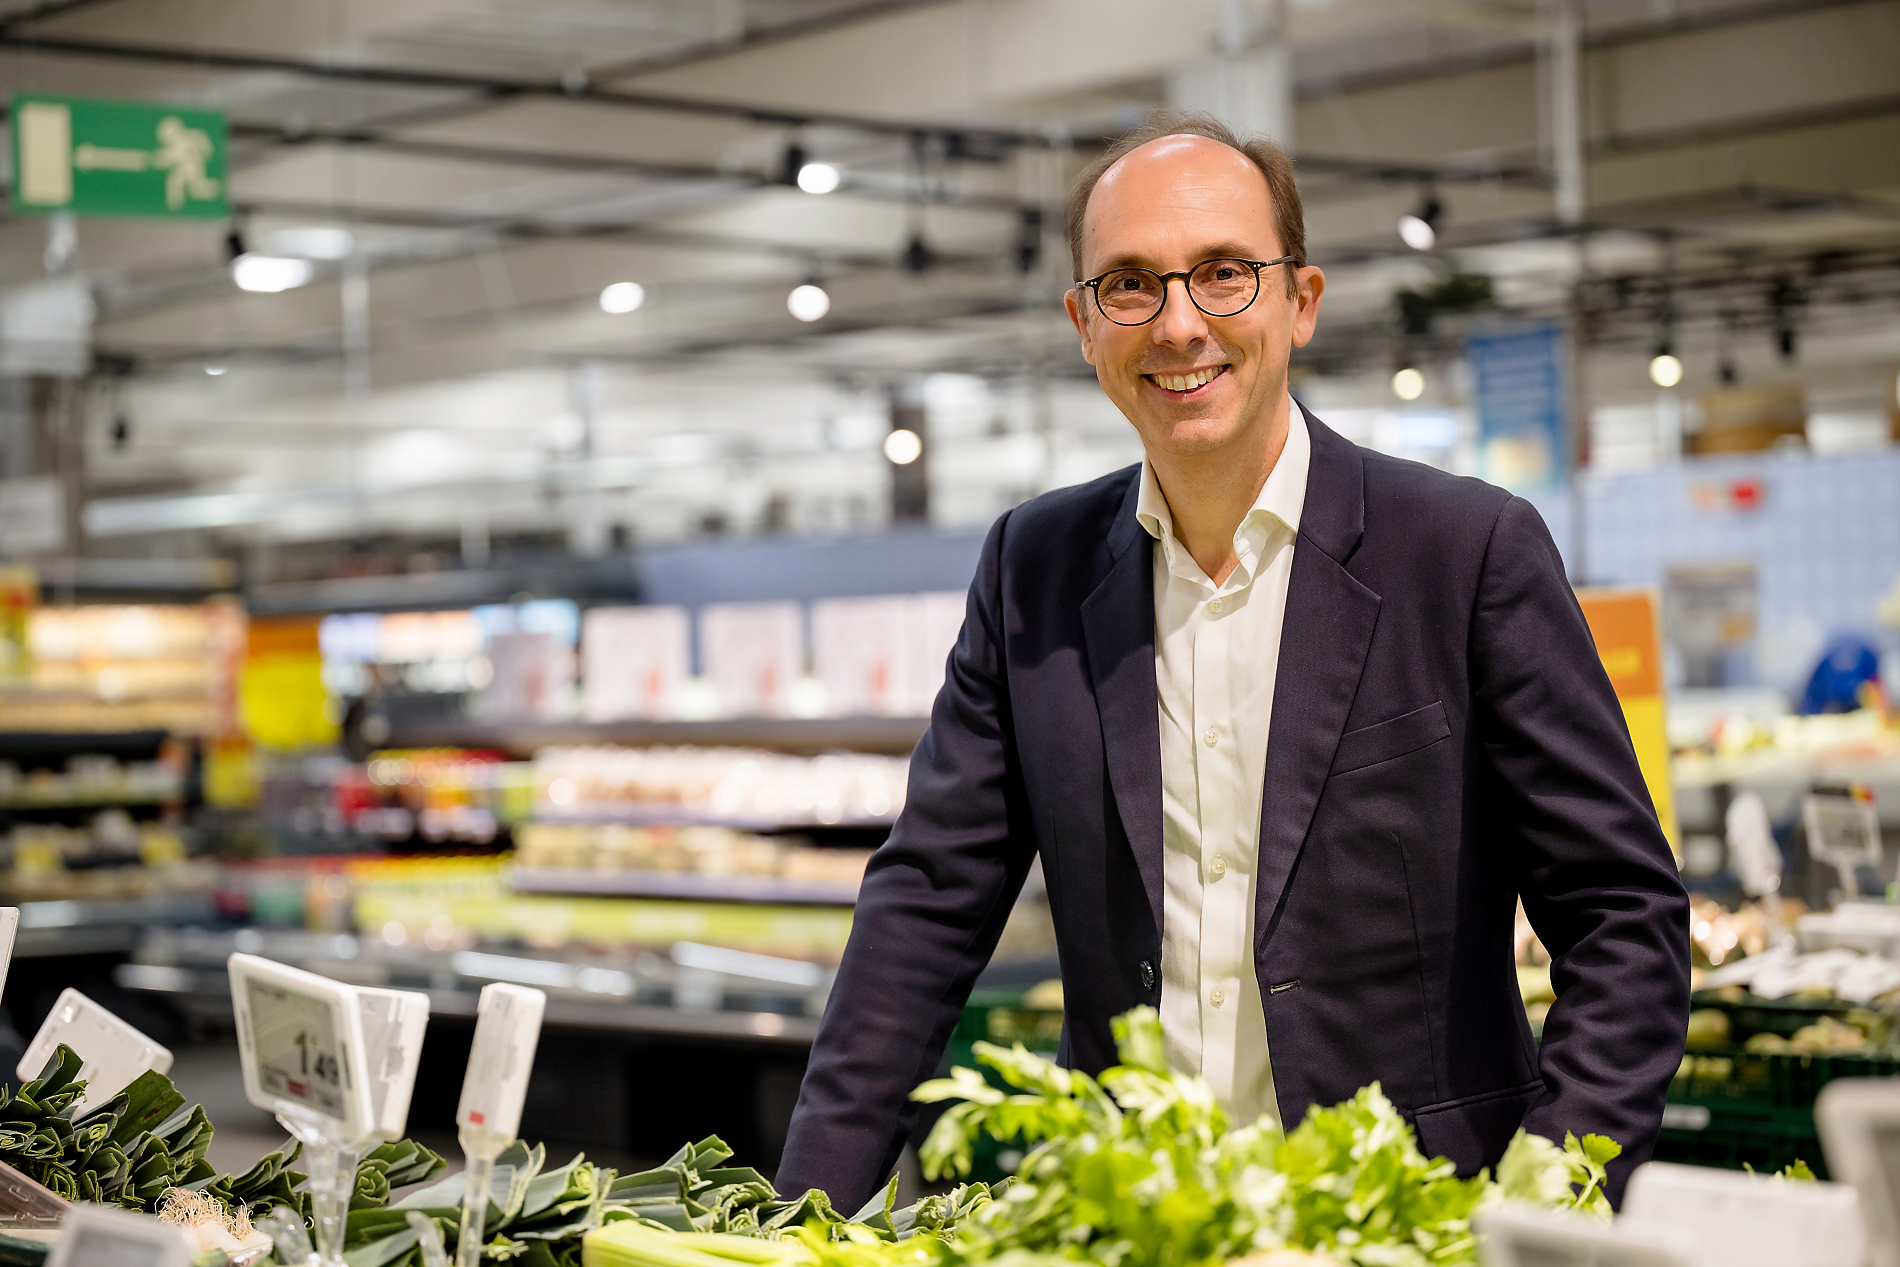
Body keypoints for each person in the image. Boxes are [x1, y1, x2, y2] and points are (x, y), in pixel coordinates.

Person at [776, 111, 1689, 1210]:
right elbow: (924, 907)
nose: (1178, 324)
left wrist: (1547, 1198)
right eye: (1129, 283)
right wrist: (798, 1217)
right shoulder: (1032, 571)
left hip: (1416, 1220)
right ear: (1083, 323)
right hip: (1133, 1218)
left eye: (1222, 273)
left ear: (1300, 300)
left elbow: (1619, 911)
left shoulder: (1462, 551)